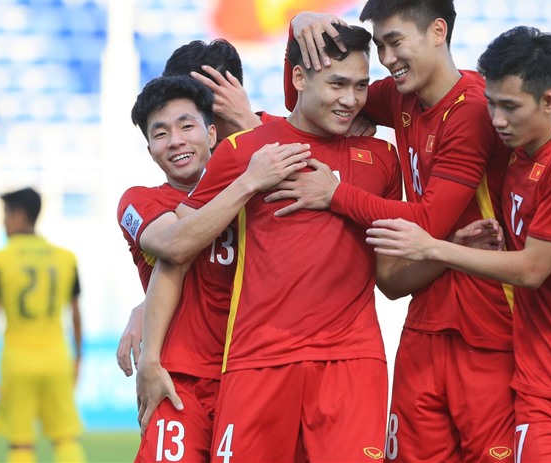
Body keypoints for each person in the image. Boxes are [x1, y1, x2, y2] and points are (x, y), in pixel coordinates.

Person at [368, 26, 551, 462]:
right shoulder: (517, 159)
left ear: (549, 102)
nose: (497, 121)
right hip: (538, 377)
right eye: (491, 105)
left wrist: (435, 247)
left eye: (510, 107)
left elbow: (532, 269)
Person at [283, 0, 515, 462]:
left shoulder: (473, 110)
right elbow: (312, 98)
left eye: (394, 43)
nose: (386, 61)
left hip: (486, 323)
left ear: (437, 31)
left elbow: (428, 222)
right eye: (380, 48)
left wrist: (336, 194)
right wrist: (300, 25)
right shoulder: (403, 97)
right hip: (424, 317)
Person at [145, 24, 400, 461]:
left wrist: (447, 247)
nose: (351, 99)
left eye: (360, 86)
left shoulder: (378, 157)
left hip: (349, 360)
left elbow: (394, 277)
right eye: (338, 84)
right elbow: (179, 249)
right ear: (298, 78)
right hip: (249, 362)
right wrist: (148, 348)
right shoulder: (244, 156)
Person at [118, 74, 309, 462]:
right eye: (160, 134)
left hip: (252, 376)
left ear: (211, 134)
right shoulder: (138, 201)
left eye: (186, 126)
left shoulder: (265, 195)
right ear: (150, 149)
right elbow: (176, 245)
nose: (175, 141)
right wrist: (248, 183)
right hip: (180, 380)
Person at [0, 188, 85, 463]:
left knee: (20, 444)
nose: (3, 222)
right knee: (64, 438)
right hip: (56, 358)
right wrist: (78, 359)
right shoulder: (65, 258)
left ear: (18, 215)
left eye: (5, 215)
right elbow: (75, 313)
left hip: (17, 360)